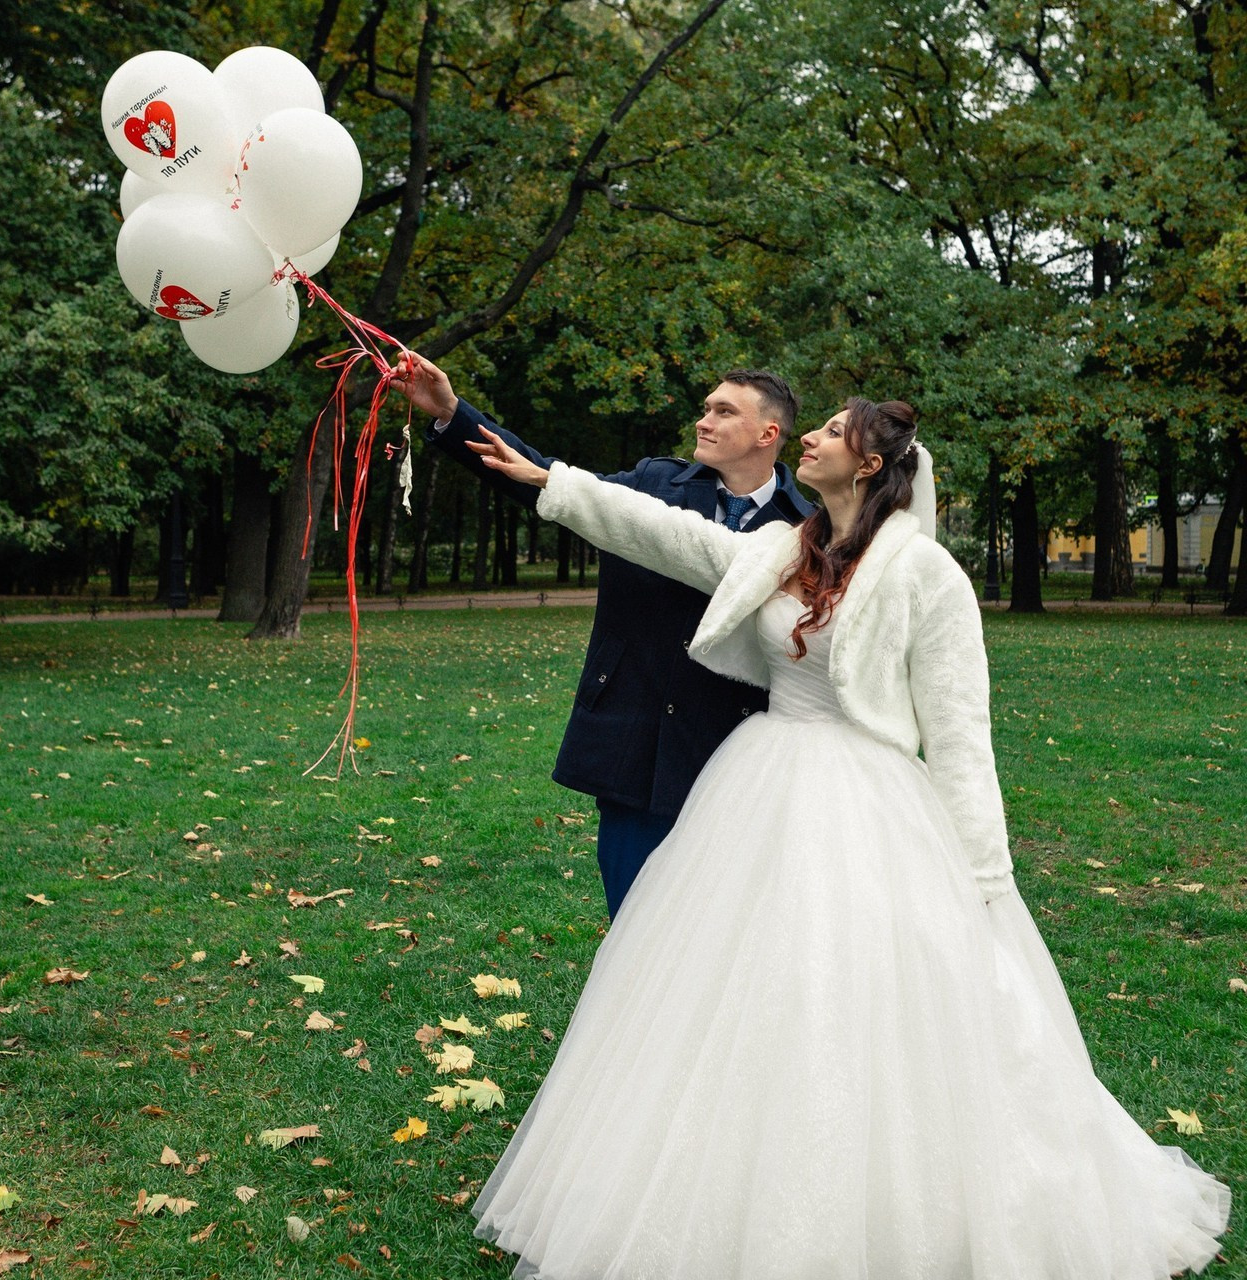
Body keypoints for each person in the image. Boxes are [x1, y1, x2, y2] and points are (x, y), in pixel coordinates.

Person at [460, 399, 1230, 1278]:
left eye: (830, 430)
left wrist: (981, 881)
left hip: (867, 806)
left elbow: (961, 737)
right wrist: (554, 483)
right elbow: (669, 535)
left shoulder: (927, 578)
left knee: (861, 1001)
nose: (812, 439)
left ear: (868, 464)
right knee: (734, 996)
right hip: (754, 789)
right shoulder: (786, 549)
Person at [391, 354, 812, 918]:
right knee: (633, 918)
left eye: (722, 411)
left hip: (729, 747)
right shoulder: (653, 481)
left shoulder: (808, 527)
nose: (702, 421)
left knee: (719, 923)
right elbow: (538, 477)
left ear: (768, 433)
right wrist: (451, 412)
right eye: (705, 408)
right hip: (636, 738)